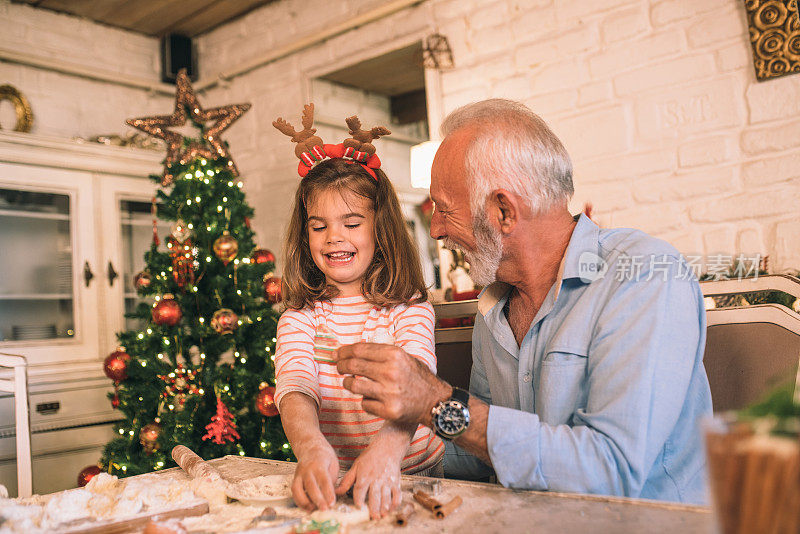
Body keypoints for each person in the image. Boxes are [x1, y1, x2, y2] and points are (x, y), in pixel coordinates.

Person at [335, 99, 713, 504]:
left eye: (444, 210)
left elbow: (611, 471)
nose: (438, 230)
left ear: (504, 211)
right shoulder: (493, 308)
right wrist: (371, 449)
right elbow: (487, 452)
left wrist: (434, 402)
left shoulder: (644, 275)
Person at [272, 107, 444, 520]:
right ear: (305, 233)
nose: (334, 237)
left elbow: (416, 383)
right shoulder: (299, 316)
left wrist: (386, 452)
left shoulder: (409, 307)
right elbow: (295, 386)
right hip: (339, 472)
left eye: (351, 223)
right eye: (319, 226)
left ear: (380, 228)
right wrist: (312, 449)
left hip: (417, 468)